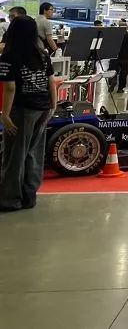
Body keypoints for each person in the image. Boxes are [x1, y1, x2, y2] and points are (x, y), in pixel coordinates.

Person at [0, 16, 57, 211]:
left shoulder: (10, 56)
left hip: (22, 109)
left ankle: (10, 199)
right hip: (43, 108)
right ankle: (29, 196)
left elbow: (10, 88)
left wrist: (5, 114)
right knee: (33, 153)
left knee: (15, 154)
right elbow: (51, 80)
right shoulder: (42, 54)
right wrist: (53, 105)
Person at [113, 22, 128, 93]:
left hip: (115, 57)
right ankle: (120, 88)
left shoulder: (114, 36)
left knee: (113, 71)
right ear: (126, 28)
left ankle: (113, 80)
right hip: (125, 58)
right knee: (123, 73)